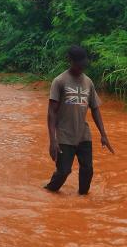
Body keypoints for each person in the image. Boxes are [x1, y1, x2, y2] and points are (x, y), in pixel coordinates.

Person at [44, 45, 114, 195]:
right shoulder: (59, 81)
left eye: (84, 64)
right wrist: (53, 140)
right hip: (64, 135)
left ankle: (82, 200)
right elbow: (51, 112)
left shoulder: (88, 82)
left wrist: (103, 135)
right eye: (79, 64)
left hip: (84, 134)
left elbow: (95, 108)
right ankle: (49, 192)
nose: (82, 67)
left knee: (87, 170)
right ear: (70, 60)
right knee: (63, 172)